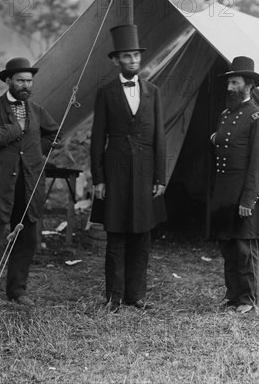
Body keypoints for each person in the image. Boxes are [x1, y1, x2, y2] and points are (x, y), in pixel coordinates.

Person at [0, 57, 59, 314]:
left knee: (27, 241)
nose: (25, 85)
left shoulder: (37, 110)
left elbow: (54, 133)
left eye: (29, 81)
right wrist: (15, 129)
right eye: (20, 80)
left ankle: (17, 291)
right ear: (8, 81)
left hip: (29, 186)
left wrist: (35, 153)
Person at [90, 24, 166, 313]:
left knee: (142, 237)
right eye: (127, 56)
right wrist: (99, 179)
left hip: (146, 174)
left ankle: (137, 294)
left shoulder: (154, 92)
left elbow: (160, 137)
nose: (133, 61)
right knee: (116, 236)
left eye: (136, 55)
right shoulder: (106, 93)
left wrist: (161, 177)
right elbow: (98, 138)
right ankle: (114, 296)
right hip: (116, 173)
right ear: (116, 60)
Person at [210, 56, 259, 314]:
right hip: (224, 191)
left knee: (245, 248)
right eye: (229, 82)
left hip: (243, 192)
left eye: (234, 82)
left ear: (249, 86)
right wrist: (216, 138)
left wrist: (248, 199)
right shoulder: (225, 115)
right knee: (227, 245)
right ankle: (232, 295)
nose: (229, 87)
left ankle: (248, 299)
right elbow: (226, 144)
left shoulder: (258, 118)